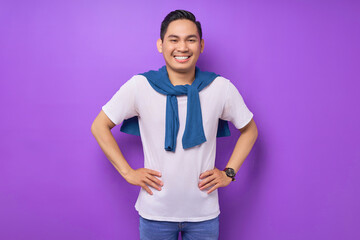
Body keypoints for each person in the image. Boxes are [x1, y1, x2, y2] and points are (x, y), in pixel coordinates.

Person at [91, 9, 258, 240]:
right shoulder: (140, 86)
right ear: (160, 45)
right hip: (155, 213)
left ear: (201, 45)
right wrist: (127, 172)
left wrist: (229, 173)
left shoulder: (220, 88)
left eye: (191, 39)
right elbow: (99, 126)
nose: (182, 47)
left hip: (204, 214)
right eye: (174, 39)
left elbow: (250, 130)